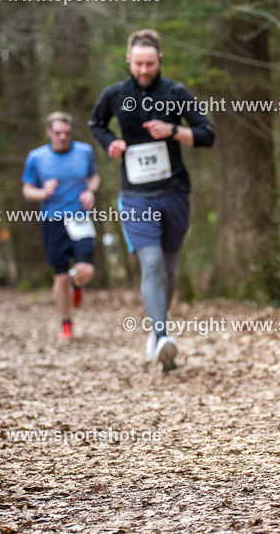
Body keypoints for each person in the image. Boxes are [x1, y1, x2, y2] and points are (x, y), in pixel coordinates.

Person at [89, 29, 214, 372]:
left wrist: (172, 130)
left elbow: (207, 134)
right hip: (135, 195)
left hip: (173, 191)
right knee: (152, 263)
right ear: (129, 60)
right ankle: (160, 336)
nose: (144, 70)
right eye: (138, 63)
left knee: (170, 268)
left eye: (150, 63)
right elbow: (96, 123)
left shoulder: (176, 93)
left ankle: (160, 325)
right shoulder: (114, 95)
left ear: (160, 60)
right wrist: (110, 143)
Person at [22, 112, 100, 340]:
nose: (63, 137)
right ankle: (66, 322)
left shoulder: (84, 151)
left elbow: (94, 176)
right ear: (49, 132)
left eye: (67, 133)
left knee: (86, 270)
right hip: (52, 221)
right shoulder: (36, 157)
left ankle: (79, 285)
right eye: (58, 133)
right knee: (61, 276)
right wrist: (42, 192)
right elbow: (27, 191)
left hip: (80, 218)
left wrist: (90, 190)